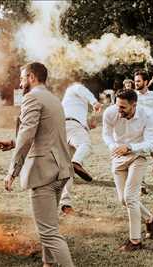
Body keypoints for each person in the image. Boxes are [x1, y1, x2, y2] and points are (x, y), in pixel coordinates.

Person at [0, 62, 74, 267]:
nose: (20, 82)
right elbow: (44, 135)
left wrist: (12, 171)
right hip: (60, 171)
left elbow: (27, 135)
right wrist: (14, 143)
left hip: (44, 173)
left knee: (49, 234)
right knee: (50, 224)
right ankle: (48, 264)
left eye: (22, 78)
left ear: (31, 77)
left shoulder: (31, 98)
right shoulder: (53, 99)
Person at [102, 89, 153, 251]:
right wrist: (114, 147)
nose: (118, 110)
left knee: (130, 197)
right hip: (118, 156)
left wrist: (130, 147)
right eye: (117, 106)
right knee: (123, 200)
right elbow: (106, 134)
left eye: (123, 108)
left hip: (138, 156)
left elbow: (151, 144)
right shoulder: (111, 112)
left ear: (134, 105)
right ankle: (151, 218)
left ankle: (135, 241)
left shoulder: (147, 115)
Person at [59, 80, 102, 215]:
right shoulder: (75, 87)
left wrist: (89, 125)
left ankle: (65, 203)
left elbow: (80, 120)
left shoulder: (74, 102)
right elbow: (81, 89)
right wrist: (94, 102)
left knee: (67, 170)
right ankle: (77, 162)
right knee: (85, 145)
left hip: (64, 129)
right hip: (71, 126)